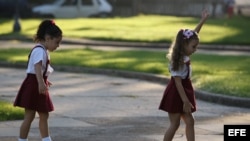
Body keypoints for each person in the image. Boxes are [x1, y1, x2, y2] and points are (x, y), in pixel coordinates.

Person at [159, 10, 209, 141]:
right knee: (175, 124)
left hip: (184, 91)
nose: (195, 49)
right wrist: (185, 101)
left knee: (190, 122)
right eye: (194, 47)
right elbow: (177, 83)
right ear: (184, 45)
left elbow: (193, 35)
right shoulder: (178, 61)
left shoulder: (185, 52)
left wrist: (202, 21)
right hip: (177, 93)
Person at [14, 19, 63, 141]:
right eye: (57, 42)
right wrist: (41, 82)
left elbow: (40, 70)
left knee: (44, 115)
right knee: (29, 117)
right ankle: (22, 140)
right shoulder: (39, 50)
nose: (58, 45)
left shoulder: (43, 50)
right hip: (34, 86)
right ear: (48, 38)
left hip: (37, 84)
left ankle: (46, 139)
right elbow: (37, 67)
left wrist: (44, 80)